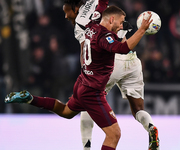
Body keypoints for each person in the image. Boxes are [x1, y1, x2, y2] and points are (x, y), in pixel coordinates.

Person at [5, 2, 153, 150]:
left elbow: (102, 4)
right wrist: (142, 29)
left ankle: (30, 98)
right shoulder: (104, 37)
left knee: (65, 111)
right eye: (120, 23)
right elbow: (123, 48)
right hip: (93, 92)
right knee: (114, 134)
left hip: (82, 83)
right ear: (111, 19)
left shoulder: (91, 24)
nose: (122, 27)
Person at [65, 0, 160, 150]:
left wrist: (85, 76)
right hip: (132, 61)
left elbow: (86, 49)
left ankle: (86, 146)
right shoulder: (105, 8)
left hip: (111, 61)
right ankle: (150, 127)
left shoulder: (81, 22)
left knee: (88, 101)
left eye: (67, 12)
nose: (66, 16)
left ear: (76, 8)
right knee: (138, 109)